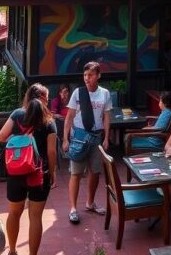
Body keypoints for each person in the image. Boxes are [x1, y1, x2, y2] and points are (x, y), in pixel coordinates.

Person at [0, 83, 58, 255]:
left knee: (14, 213)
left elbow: (1, 137)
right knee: (35, 217)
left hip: (16, 172)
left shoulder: (17, 114)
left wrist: (18, 138)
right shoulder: (49, 121)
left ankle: (13, 251)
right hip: (39, 174)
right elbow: (51, 151)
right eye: (47, 97)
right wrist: (52, 173)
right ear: (42, 99)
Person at [63, 61, 111, 224]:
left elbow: (106, 117)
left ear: (98, 76)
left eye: (90, 75)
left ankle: (90, 203)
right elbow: (69, 116)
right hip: (79, 136)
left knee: (95, 172)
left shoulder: (105, 93)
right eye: (85, 75)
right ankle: (73, 208)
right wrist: (65, 138)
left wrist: (106, 138)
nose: (86, 78)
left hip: (97, 137)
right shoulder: (78, 93)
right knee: (75, 173)